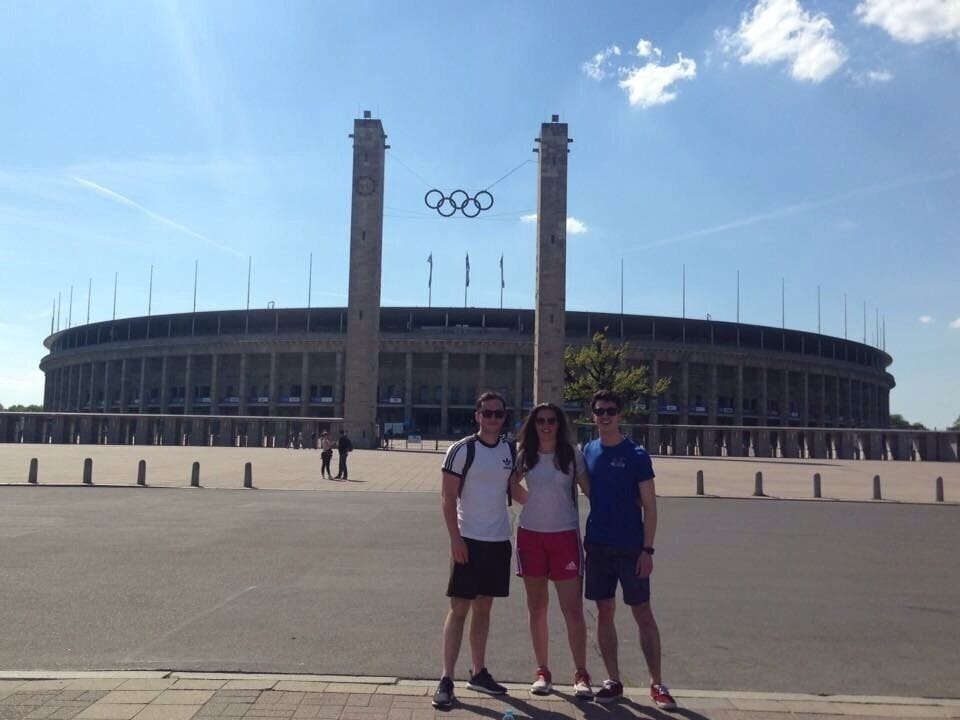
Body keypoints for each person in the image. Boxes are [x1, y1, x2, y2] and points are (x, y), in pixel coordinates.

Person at [581, 390, 677, 710]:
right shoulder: (588, 451)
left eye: (610, 410)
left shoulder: (636, 454)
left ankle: (657, 683)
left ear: (620, 414)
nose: (604, 415)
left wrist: (647, 550)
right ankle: (613, 679)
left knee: (642, 612)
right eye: (599, 411)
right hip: (597, 544)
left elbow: (649, 506)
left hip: (630, 546)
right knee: (604, 612)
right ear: (592, 415)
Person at [432, 391, 515, 709]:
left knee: (484, 609)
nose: (493, 418)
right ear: (477, 415)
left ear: (504, 417)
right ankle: (446, 678)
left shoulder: (510, 449)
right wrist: (455, 539)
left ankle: (478, 672)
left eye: (498, 413)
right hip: (468, 540)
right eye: (488, 413)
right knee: (459, 609)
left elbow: (514, 487)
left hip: (497, 541)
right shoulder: (462, 450)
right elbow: (447, 497)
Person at [510, 402, 594, 699]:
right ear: (533, 425)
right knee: (537, 607)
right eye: (541, 421)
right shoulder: (525, 456)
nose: (546, 425)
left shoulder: (573, 455)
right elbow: (510, 486)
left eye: (552, 420)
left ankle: (581, 673)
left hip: (564, 537)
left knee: (572, 609)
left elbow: (590, 491)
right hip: (531, 535)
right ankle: (543, 670)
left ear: (560, 425)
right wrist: (527, 502)